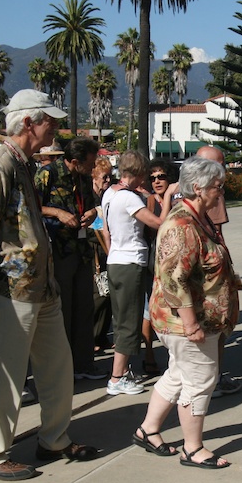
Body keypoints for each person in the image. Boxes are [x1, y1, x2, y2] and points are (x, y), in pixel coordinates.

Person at [0, 89, 98, 481]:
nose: (56, 128)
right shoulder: (0, 164)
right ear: (29, 122)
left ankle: (54, 440)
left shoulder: (22, 163)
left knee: (58, 367)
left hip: (40, 287)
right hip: (10, 289)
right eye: (51, 121)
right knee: (6, 373)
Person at [133, 156, 238, 469]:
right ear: (197, 188)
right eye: (216, 187)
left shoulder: (197, 216)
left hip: (188, 320)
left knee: (179, 374)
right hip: (186, 323)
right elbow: (173, 279)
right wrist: (192, 325)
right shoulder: (181, 224)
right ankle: (192, 449)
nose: (220, 192)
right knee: (200, 380)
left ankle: (148, 430)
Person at [102, 150, 173, 396]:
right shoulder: (129, 198)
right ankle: (117, 376)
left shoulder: (109, 194)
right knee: (129, 321)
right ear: (139, 173)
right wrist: (169, 197)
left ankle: (119, 373)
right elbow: (159, 222)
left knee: (122, 317)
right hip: (131, 262)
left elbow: (106, 231)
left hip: (115, 260)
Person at [34, 136, 104, 381]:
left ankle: (84, 364)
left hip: (82, 249)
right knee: (62, 311)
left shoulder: (83, 177)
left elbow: (95, 206)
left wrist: (92, 213)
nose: (93, 167)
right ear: (75, 161)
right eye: (90, 162)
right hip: (58, 250)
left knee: (84, 307)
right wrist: (58, 212)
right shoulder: (47, 174)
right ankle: (61, 368)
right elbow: (32, 206)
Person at [194, 145, 241, 399]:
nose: (223, 171)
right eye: (219, 165)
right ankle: (215, 378)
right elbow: (217, 236)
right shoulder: (212, 194)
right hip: (209, 275)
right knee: (218, 327)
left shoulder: (182, 192)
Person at [138, 158, 173, 379]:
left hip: (173, 264)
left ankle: (173, 356)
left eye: (161, 176)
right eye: (152, 178)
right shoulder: (149, 202)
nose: (157, 181)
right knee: (148, 311)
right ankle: (149, 354)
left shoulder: (179, 199)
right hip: (153, 263)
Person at [90, 158, 114, 352]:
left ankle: (102, 335)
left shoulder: (107, 196)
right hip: (94, 252)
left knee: (107, 295)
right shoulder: (88, 198)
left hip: (107, 250)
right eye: (104, 176)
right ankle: (94, 337)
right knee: (98, 296)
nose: (108, 180)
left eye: (110, 176)